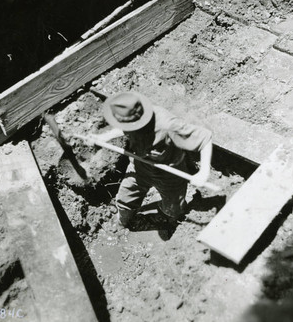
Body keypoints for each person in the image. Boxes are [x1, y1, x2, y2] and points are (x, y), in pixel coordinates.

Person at [89, 91, 213, 231]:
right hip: (139, 167)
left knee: (173, 209)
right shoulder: (129, 119)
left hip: (169, 174)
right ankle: (122, 222)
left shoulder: (167, 126)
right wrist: (105, 137)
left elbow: (205, 138)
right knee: (125, 198)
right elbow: (125, 129)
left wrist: (204, 172)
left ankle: (167, 219)